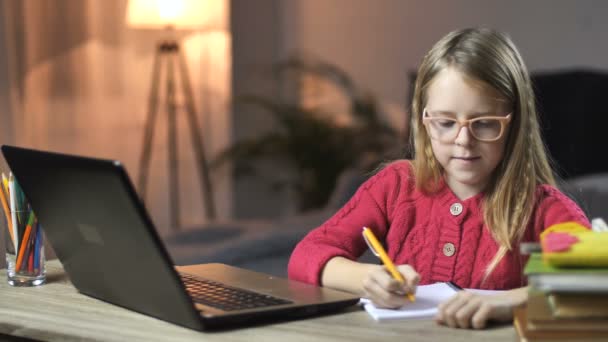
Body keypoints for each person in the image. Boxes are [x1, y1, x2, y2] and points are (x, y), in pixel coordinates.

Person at [287, 27, 590, 329]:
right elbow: (307, 255)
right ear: (424, 120)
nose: (463, 140)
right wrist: (368, 279)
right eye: (445, 123)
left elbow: (591, 285)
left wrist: (509, 301)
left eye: (484, 124)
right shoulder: (396, 185)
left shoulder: (545, 209)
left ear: (515, 124)